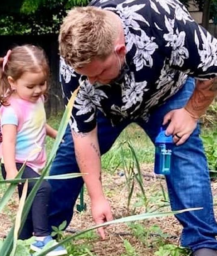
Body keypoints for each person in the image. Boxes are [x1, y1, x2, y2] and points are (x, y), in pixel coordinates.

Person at [48, 0, 217, 255]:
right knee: (68, 157)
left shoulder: (165, 22)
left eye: (99, 72)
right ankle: (38, 234)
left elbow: (213, 66)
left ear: (120, 49)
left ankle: (203, 242)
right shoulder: (75, 67)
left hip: (165, 92)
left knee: (184, 150)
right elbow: (83, 134)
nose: (91, 80)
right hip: (106, 106)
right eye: (86, 75)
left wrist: (191, 113)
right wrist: (97, 196)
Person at [0, 44, 67, 256]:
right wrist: (11, 171)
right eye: (31, 86)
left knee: (28, 202)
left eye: (42, 84)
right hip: (15, 163)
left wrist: (55, 135)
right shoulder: (10, 110)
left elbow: (38, 122)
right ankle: (42, 238)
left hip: (33, 162)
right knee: (41, 189)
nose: (38, 90)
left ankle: (20, 241)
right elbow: (8, 142)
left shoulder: (37, 100)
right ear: (12, 82)